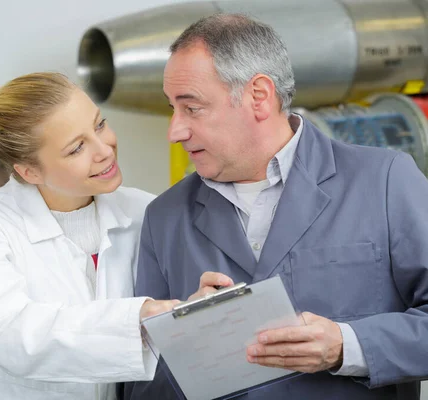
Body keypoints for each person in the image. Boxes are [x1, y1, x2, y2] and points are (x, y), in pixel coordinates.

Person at [123, 13, 428, 400]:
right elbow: (140, 385)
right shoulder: (164, 218)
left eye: (192, 108)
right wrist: (185, 338)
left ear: (259, 97)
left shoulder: (385, 181)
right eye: (172, 108)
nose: (175, 131)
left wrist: (346, 346)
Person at [0, 72, 192, 400]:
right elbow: (13, 336)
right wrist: (137, 319)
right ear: (28, 171)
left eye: (100, 124)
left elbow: (171, 306)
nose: (105, 150)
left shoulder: (143, 212)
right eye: (77, 148)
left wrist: (193, 308)